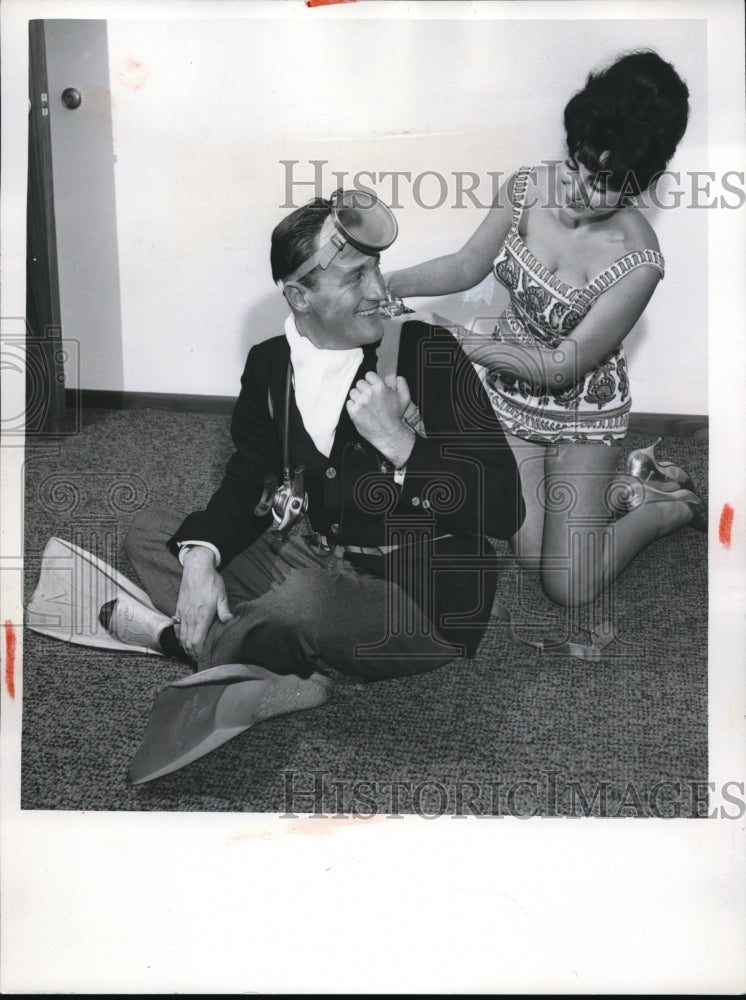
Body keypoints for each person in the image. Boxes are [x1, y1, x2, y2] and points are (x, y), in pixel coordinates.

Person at [101, 188, 524, 782]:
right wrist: (201, 558)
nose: (380, 290)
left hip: (420, 597)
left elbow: (505, 509)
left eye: (375, 267)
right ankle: (266, 653)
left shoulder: (429, 353)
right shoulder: (271, 364)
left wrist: (403, 446)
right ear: (300, 295)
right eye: (354, 276)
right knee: (158, 533)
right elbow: (250, 479)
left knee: (302, 604)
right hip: (318, 557)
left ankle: (178, 642)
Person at [383, 50, 705, 610]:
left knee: (567, 585)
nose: (580, 187)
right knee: (531, 557)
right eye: (579, 161)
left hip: (582, 413)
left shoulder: (640, 258)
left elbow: (563, 367)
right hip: (510, 398)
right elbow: (465, 264)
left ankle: (663, 506)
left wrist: (463, 342)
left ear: (641, 182)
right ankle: (622, 486)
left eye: (605, 182)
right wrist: (389, 283)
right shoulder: (529, 187)